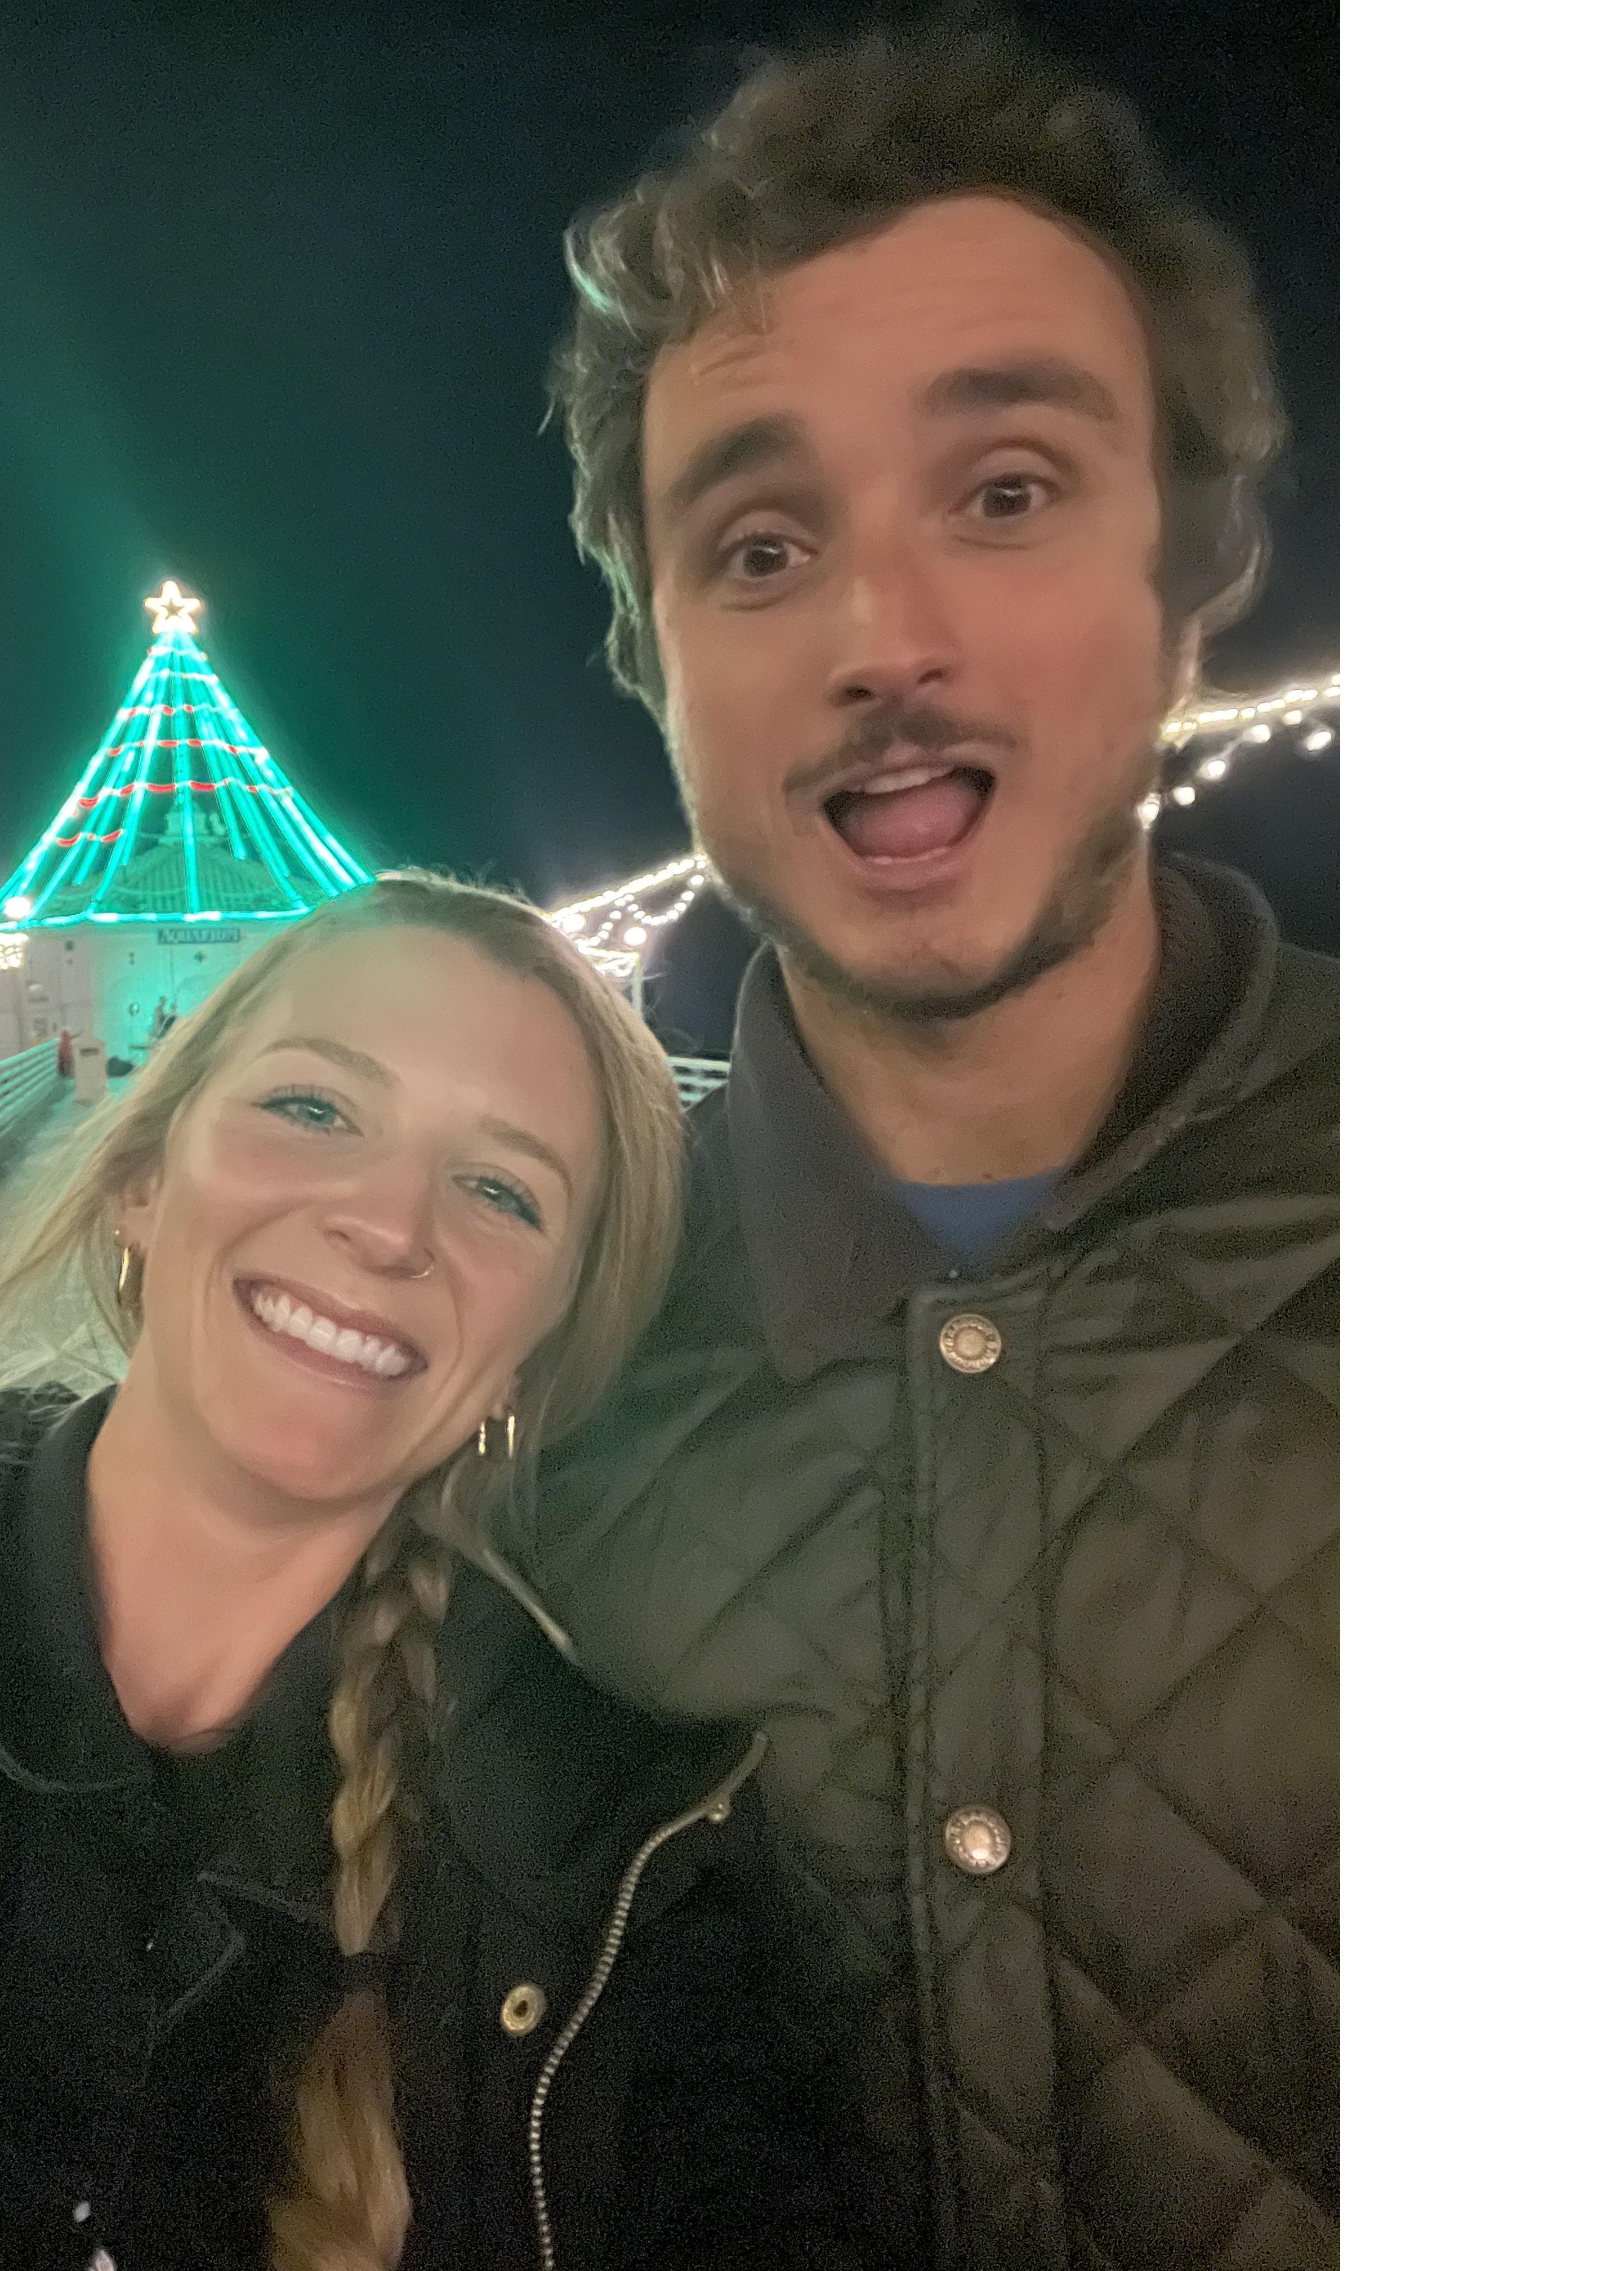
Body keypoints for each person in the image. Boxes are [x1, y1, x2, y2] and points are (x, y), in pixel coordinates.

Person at [505, 23, 1337, 2271]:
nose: (885, 638)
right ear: (657, 668)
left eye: (1007, 494)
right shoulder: (524, 1357)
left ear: (1191, 590)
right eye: (763, 545)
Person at [0, 875, 877, 2271]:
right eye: (314, 1108)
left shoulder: (615, 1872)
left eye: (500, 1190)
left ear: (528, 1364)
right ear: (142, 1182)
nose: (391, 1225)